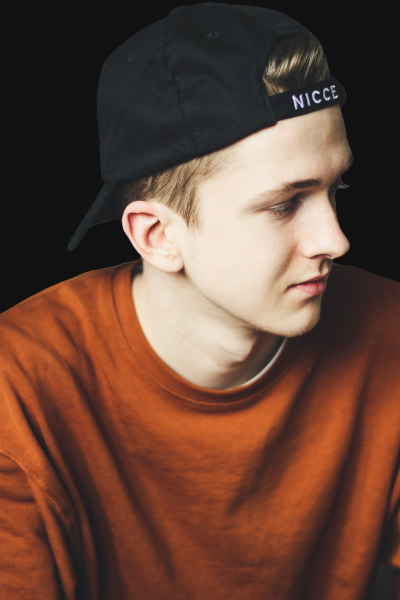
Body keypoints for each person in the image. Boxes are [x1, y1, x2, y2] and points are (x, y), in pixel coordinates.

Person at [0, 4, 399, 599]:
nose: (336, 240)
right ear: (157, 236)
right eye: (284, 204)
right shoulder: (17, 390)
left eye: (334, 189)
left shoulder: (389, 332)